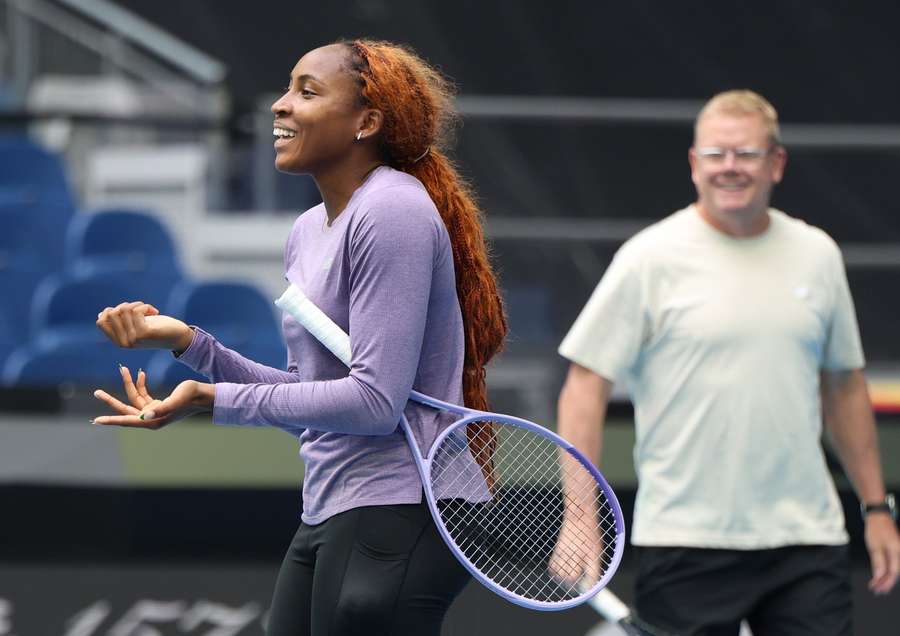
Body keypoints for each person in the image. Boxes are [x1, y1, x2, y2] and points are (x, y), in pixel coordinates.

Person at [91, 39, 507, 636]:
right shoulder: (308, 230)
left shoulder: (392, 211)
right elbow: (311, 402)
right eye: (287, 89)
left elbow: (374, 403)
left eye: (307, 92)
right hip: (331, 504)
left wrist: (213, 399)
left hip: (404, 505)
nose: (280, 105)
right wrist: (191, 346)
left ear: (367, 122)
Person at [554, 90, 899, 635]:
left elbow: (845, 387)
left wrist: (876, 509)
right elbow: (584, 386)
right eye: (715, 154)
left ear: (776, 163)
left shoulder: (818, 255)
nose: (729, 167)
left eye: (746, 153)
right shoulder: (648, 258)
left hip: (807, 540)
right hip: (683, 541)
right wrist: (580, 517)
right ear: (695, 164)